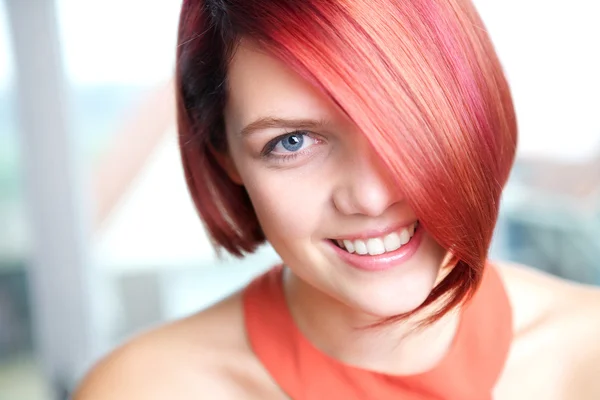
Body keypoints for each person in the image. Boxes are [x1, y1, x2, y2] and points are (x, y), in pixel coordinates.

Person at [74, 0, 600, 399]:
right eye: (292, 142)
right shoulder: (145, 388)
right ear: (226, 156)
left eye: (405, 122)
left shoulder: (587, 350)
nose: (369, 197)